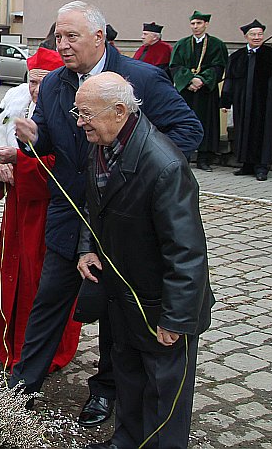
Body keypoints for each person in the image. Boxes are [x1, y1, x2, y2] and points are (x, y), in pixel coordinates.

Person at [0, 0, 202, 429]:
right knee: (49, 300)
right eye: (58, 37)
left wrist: (136, 170)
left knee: (115, 315)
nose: (62, 45)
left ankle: (105, 393)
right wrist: (34, 137)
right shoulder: (53, 84)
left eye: (71, 37)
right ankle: (21, 388)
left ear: (99, 38)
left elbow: (188, 131)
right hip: (70, 216)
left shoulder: (140, 78)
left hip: (121, 222)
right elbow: (55, 140)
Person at [75, 73, 213, 449]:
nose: (79, 121)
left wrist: (177, 318)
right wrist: (87, 246)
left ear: (119, 111)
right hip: (123, 296)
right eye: (77, 111)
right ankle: (126, 442)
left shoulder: (164, 165)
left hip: (159, 304)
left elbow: (187, 251)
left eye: (86, 113)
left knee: (163, 397)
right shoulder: (103, 143)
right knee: (129, 381)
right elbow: (93, 205)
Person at [0, 47, 81, 372]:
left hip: (49, 209)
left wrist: (21, 165)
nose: (36, 89)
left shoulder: (68, 111)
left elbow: (66, 164)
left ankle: (38, 347)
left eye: (43, 82)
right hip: (17, 204)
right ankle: (6, 335)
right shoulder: (18, 104)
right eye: (32, 81)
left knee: (39, 277)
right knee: (12, 267)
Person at [220, 19, 272, 181]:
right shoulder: (237, 57)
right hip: (243, 103)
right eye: (253, 34)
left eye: (260, 34)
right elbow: (230, 80)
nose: (257, 37)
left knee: (264, 133)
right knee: (244, 131)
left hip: (265, 103)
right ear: (246, 37)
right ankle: (247, 164)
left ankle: (262, 167)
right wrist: (226, 101)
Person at [169, 11, 228, 171]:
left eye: (199, 23)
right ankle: (184, 156)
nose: (195, 27)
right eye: (193, 23)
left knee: (206, 122)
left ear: (206, 24)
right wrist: (188, 80)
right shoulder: (182, 44)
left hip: (206, 93)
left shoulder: (217, 44)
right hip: (187, 91)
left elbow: (219, 66)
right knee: (184, 122)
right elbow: (175, 66)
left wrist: (202, 80)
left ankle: (203, 158)